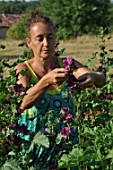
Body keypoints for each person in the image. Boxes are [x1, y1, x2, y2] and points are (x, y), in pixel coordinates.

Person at [15, 11, 106, 170]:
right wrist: (45, 82)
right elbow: (23, 102)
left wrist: (92, 76)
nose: (46, 43)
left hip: (66, 147)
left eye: (50, 37)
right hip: (35, 146)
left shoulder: (65, 64)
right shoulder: (24, 69)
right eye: (40, 38)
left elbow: (101, 79)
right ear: (29, 42)